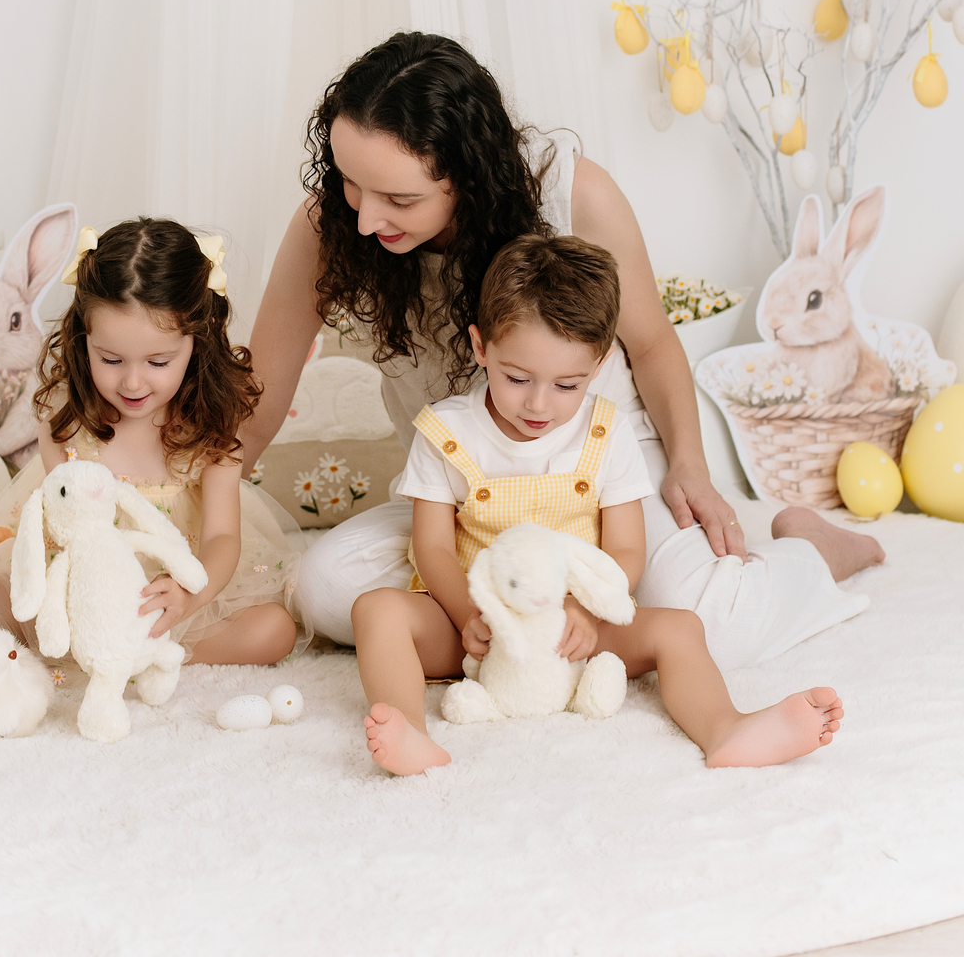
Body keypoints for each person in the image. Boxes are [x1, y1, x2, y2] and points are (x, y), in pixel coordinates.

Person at [244, 32, 883, 670]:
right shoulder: (332, 227)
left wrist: (689, 466)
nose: (364, 218)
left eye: (400, 200)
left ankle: (812, 551)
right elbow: (261, 393)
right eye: (350, 181)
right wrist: (199, 500)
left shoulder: (572, 194)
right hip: (468, 490)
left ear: (466, 178)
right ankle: (539, 632)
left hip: (598, 471)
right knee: (325, 591)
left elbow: (652, 343)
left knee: (716, 628)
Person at [355, 234, 843, 776]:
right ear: (480, 347)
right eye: (517, 378)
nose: (538, 403)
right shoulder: (446, 431)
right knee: (376, 610)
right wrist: (471, 614)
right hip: (479, 630)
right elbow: (433, 549)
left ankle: (725, 728)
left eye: (567, 385)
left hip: (575, 630)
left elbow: (627, 549)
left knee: (681, 627)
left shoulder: (606, 431)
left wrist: (585, 613)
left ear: (600, 362)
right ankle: (409, 731)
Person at [0, 218, 298, 734]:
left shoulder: (211, 430)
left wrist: (190, 597)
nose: (132, 381)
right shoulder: (68, 422)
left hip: (166, 594)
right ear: (82, 339)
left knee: (274, 630)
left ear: (197, 344)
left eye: (159, 361)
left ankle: (136, 650)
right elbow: (61, 532)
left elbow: (222, 536)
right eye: (110, 359)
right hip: (74, 583)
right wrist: (67, 604)